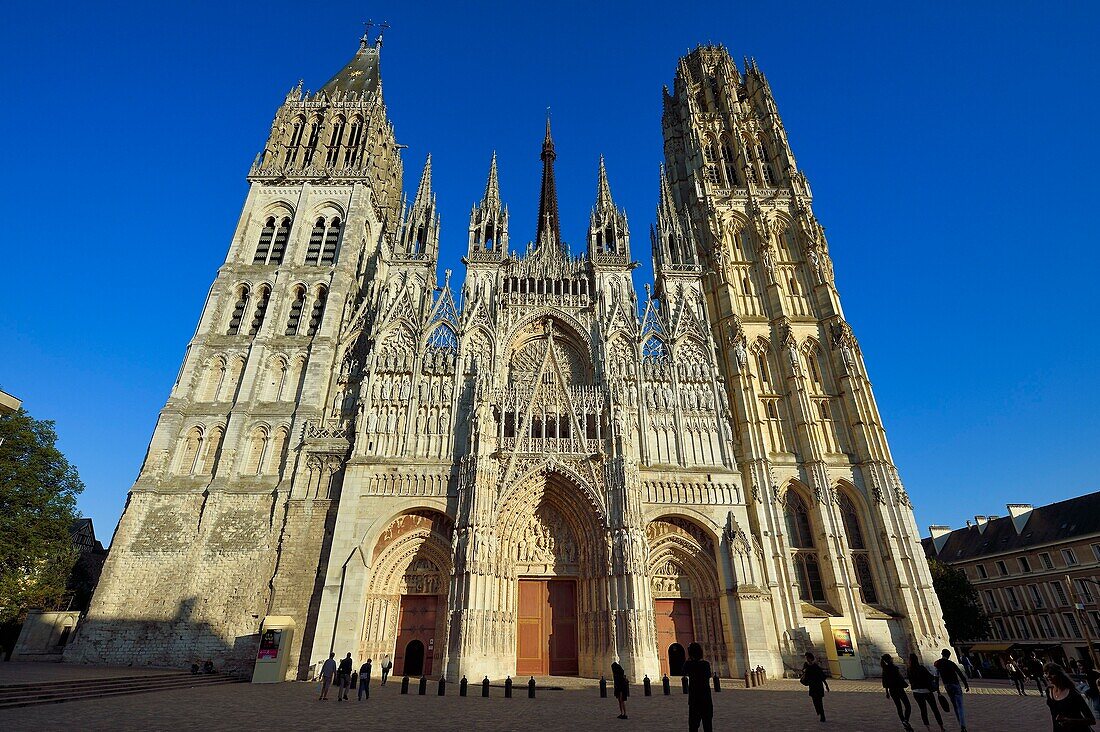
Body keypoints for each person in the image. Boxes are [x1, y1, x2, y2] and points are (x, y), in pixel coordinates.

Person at [1045, 662, 1096, 731]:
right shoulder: (1049, 691)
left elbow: (1092, 720)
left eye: (1051, 673)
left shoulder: (1073, 694)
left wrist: (1071, 721)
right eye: (1046, 673)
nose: (1048, 676)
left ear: (1059, 674)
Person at [934, 649, 969, 732]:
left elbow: (936, 677)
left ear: (942, 654)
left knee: (955, 706)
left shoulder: (938, 663)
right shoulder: (951, 663)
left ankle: (960, 723)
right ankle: (963, 726)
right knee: (960, 706)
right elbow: (960, 673)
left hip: (947, 686)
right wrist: (966, 684)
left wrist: (937, 689)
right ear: (949, 655)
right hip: (955, 685)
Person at [682, 642, 714, 732]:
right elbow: (708, 675)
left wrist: (690, 659)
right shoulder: (706, 664)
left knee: (693, 726)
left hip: (694, 699)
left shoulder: (689, 664)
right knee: (708, 725)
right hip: (706, 698)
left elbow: (683, 672)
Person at [908, 654, 945, 731]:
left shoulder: (909, 669)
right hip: (926, 691)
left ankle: (928, 729)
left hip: (916, 692)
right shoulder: (921, 668)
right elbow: (930, 677)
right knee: (935, 709)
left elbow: (910, 681)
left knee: (923, 710)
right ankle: (941, 727)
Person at [882, 654, 914, 731]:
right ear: (890, 659)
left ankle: (903, 721)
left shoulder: (885, 669)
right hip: (899, 689)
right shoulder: (894, 668)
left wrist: (887, 692)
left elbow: (885, 682)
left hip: (892, 690)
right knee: (907, 706)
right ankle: (906, 720)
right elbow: (899, 678)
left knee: (899, 707)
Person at [800, 652, 829, 723]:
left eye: (808, 658)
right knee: (815, 701)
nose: (807, 659)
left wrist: (826, 685)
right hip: (812, 686)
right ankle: (819, 711)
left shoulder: (816, 666)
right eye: (806, 658)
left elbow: (822, 676)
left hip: (818, 685)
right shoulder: (806, 666)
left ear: (810, 658)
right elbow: (803, 673)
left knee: (819, 701)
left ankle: (822, 715)